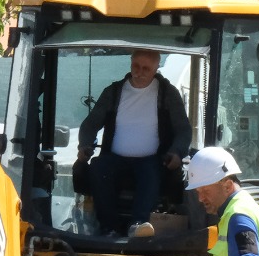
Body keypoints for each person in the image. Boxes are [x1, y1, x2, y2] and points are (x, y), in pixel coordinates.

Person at [77, 49, 191, 239]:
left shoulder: (167, 94)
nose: (139, 72)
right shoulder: (113, 92)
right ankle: (108, 228)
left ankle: (138, 225)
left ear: (156, 69)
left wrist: (176, 152)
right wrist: (84, 145)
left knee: (151, 171)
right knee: (98, 167)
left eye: (146, 68)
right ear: (130, 64)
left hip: (152, 160)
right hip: (114, 159)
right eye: (136, 66)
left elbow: (183, 130)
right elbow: (90, 124)